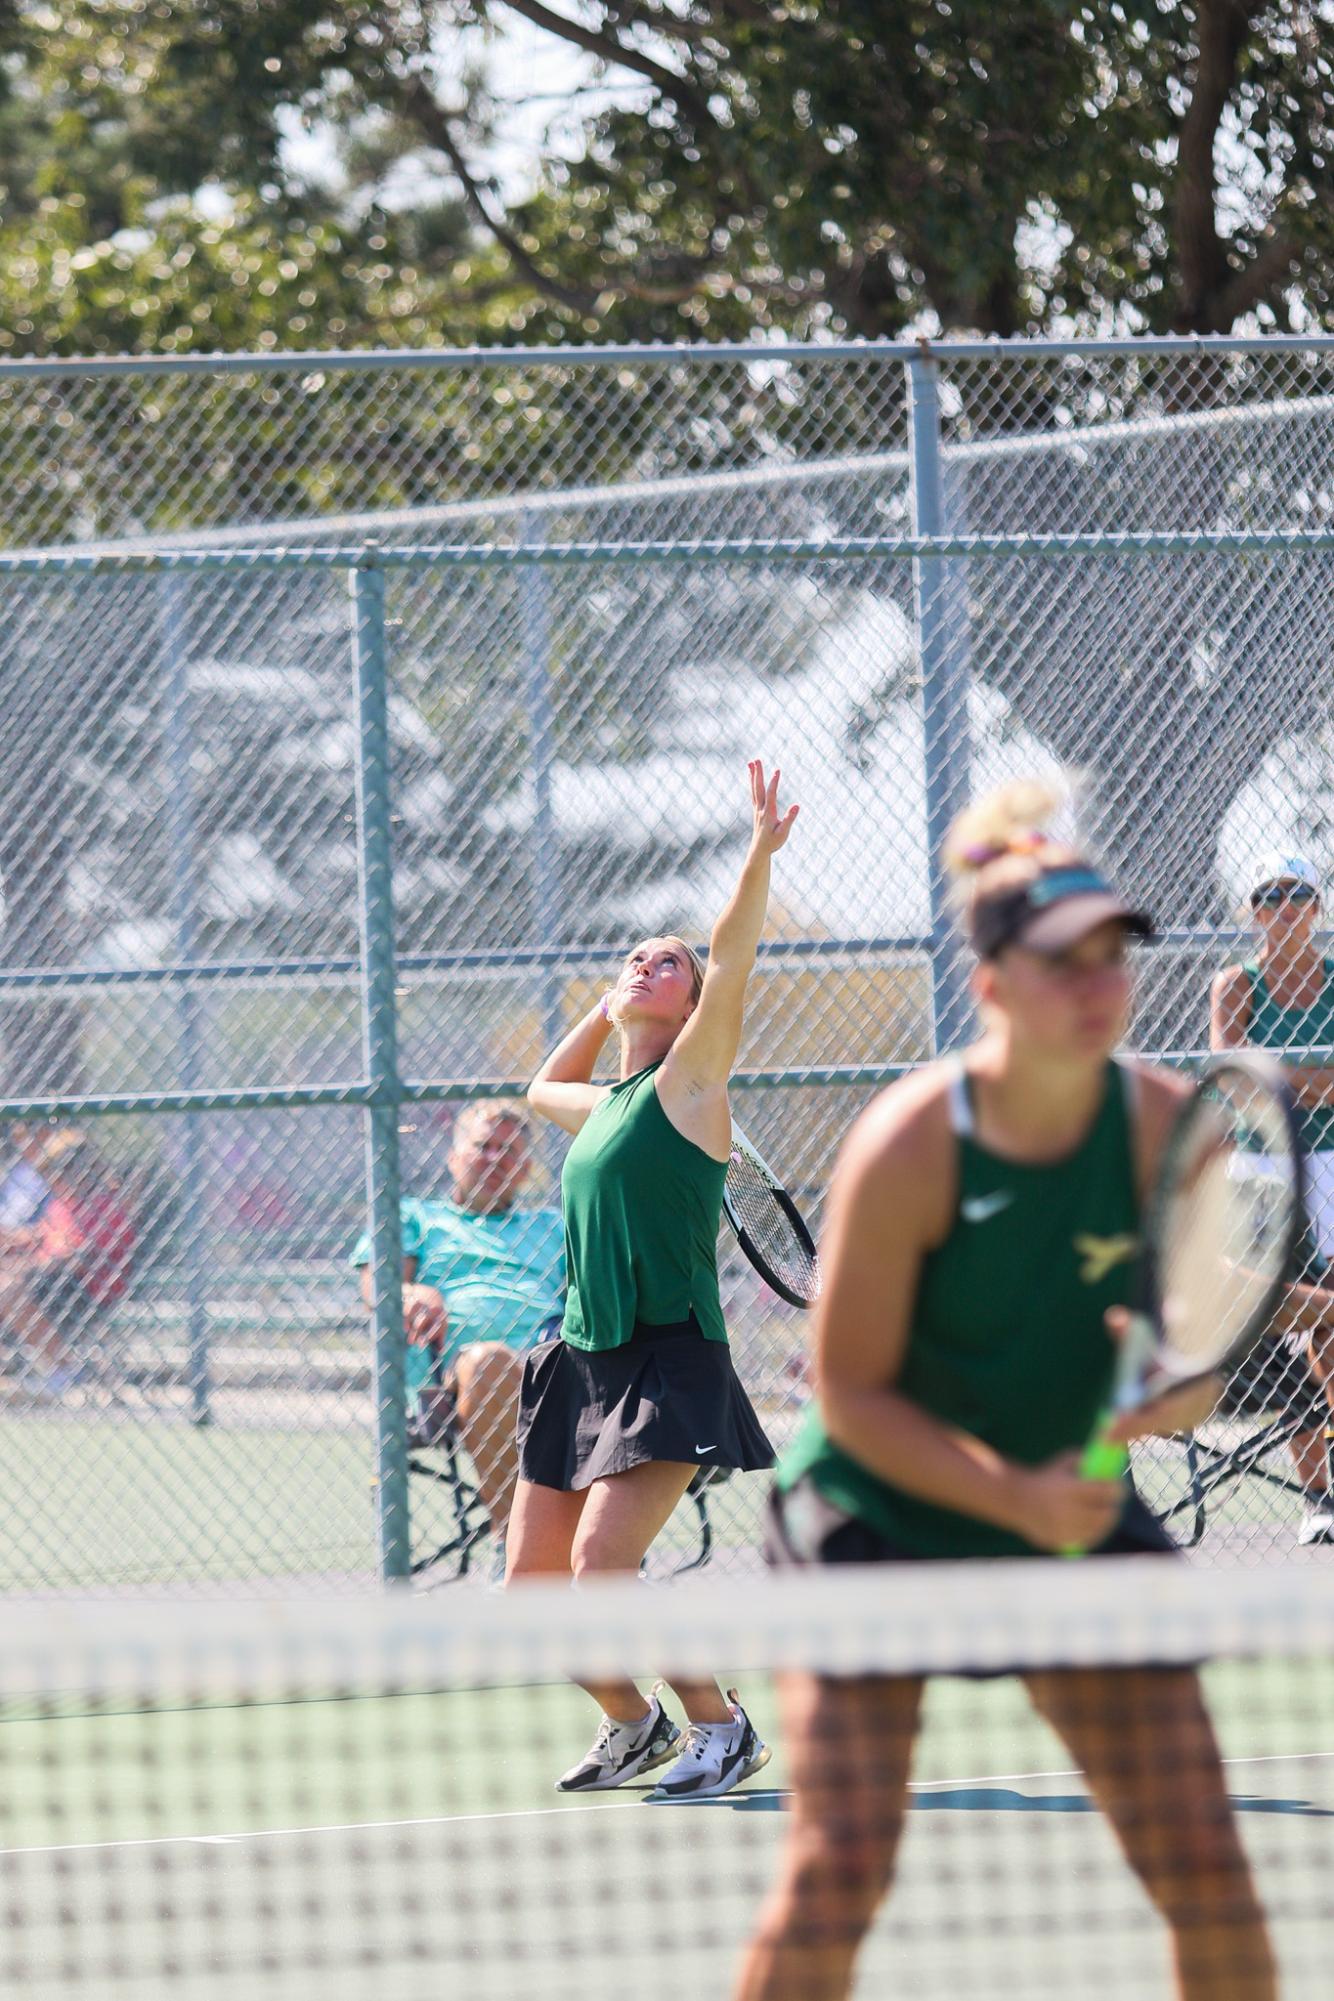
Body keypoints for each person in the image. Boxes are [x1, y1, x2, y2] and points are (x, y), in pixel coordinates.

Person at [738, 780, 1275, 2001]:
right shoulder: (910, 1143)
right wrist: (1011, 1497)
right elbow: (852, 1393)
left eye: (1110, 957)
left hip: (1064, 1514)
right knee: (838, 1867)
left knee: (1203, 1859)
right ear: (988, 983)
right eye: (1059, 962)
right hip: (871, 1517)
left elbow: (1190, 1371)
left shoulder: (1164, 1129)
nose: (1097, 985)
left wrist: (1160, 1398)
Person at [512, 759, 796, 1803]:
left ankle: (719, 1729)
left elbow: (732, 955)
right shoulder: (609, 1104)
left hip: (665, 1362)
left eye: (662, 962)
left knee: (602, 1569)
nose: (646, 964)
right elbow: (539, 1087)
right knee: (535, 1595)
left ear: (691, 1002)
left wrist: (758, 854)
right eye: (633, 957)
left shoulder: (689, 1083)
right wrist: (601, 1003)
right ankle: (633, 1726)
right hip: (577, 1362)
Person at [351, 1100, 563, 1545]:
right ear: (453, 1158)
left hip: (557, 1370)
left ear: (526, 1169)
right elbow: (376, 1288)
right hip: (453, 1380)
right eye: (483, 1145)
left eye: (509, 1150)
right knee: (491, 1363)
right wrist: (407, 1292)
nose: (495, 1159)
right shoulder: (413, 1217)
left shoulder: (555, 1225)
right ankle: (518, 1548)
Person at [1210, 851, 1334, 1546]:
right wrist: (1313, 1079)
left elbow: (1265, 1079)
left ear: (1316, 907)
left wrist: (1280, 1077)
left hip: (1331, 1160)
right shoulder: (1237, 984)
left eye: (1298, 894)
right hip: (1261, 1165)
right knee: (1284, 1315)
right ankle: (1318, 1493)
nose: (1283, 907)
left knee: (1332, 1319)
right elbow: (1234, 1078)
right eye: (1269, 896)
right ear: (1254, 910)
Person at [0, 1130, 137, 1397]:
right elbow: (38, 1237)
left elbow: (80, 1257)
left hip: (86, 1291)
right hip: (50, 1279)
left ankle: (65, 1371)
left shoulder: (103, 1203)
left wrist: (25, 1266)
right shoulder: (63, 1203)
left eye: (60, 1169)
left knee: (8, 1291)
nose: (53, 1177)